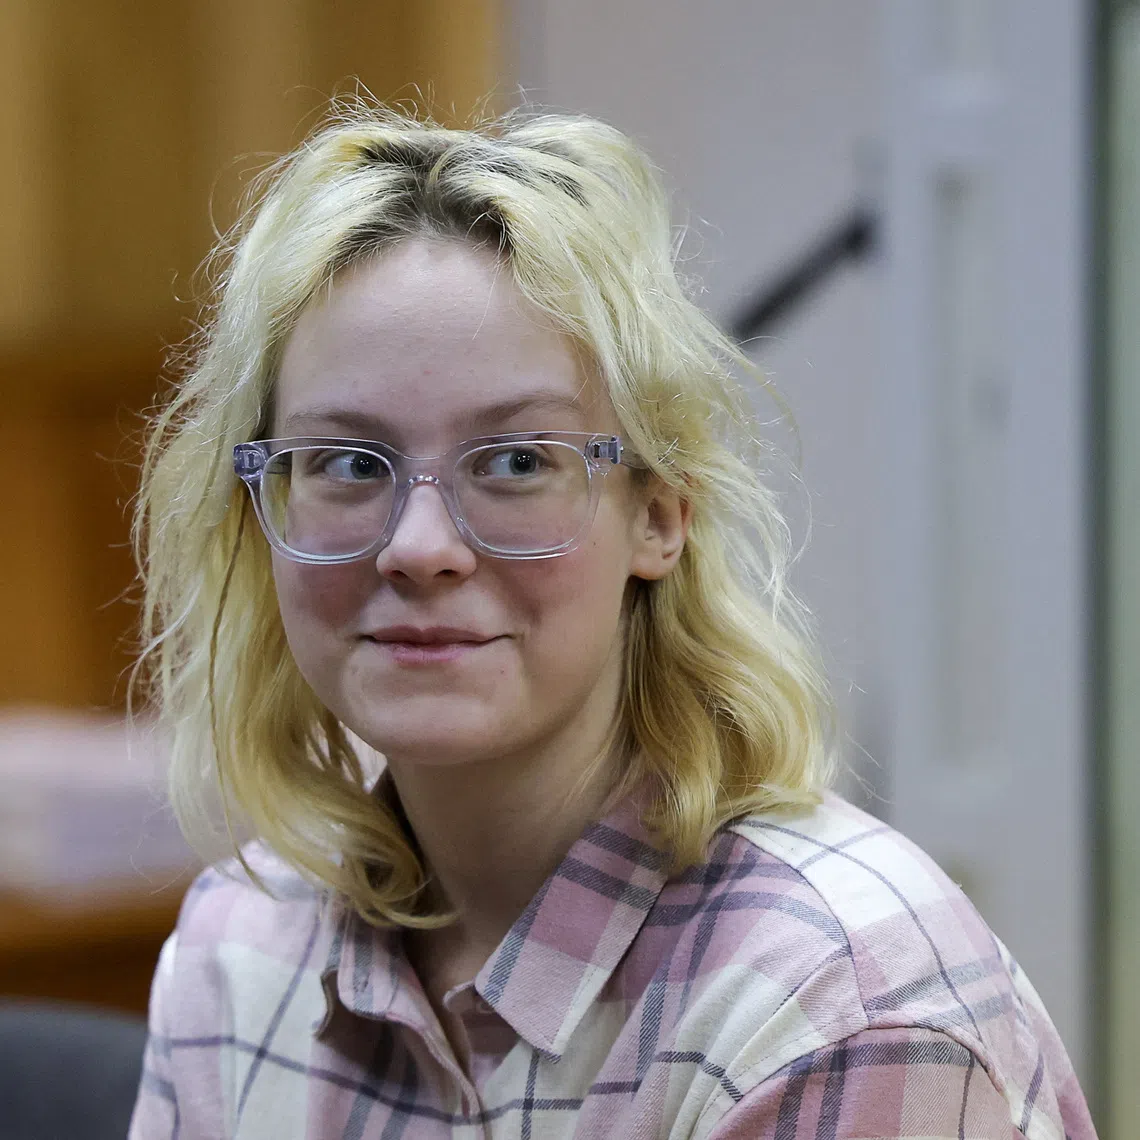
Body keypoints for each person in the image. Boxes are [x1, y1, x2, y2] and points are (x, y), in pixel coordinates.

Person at [127, 104, 1096, 1140]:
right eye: (347, 464)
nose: (418, 546)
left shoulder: (840, 1005)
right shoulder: (236, 953)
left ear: (660, 516)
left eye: (516, 463)